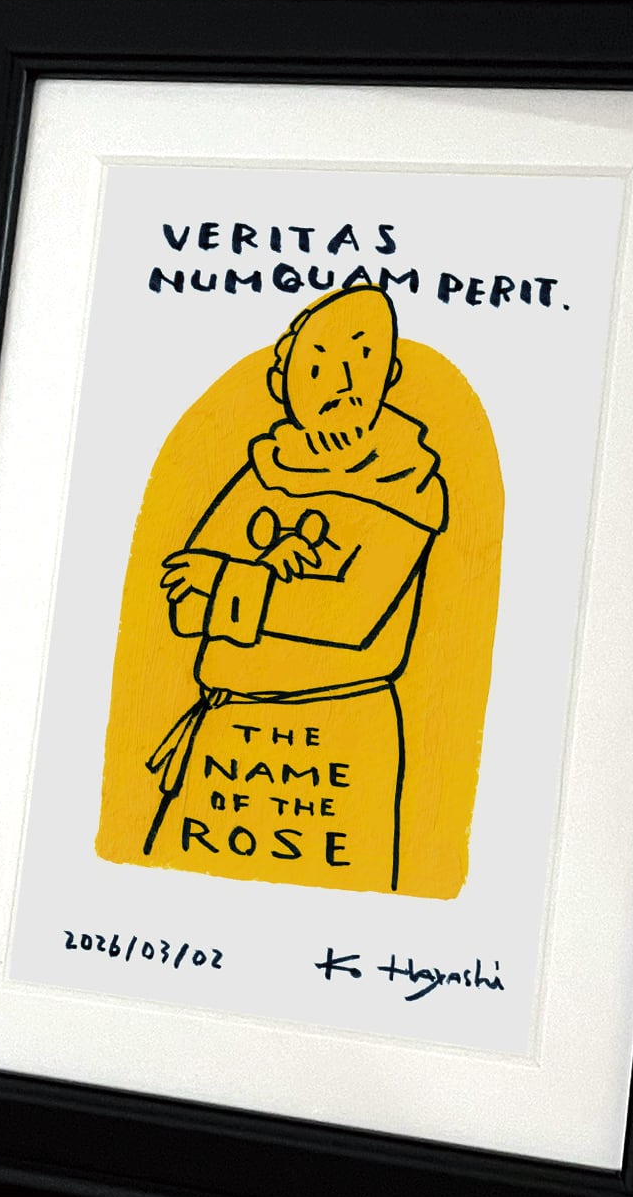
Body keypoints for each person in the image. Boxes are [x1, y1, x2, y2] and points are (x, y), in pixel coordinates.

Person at [145, 284, 447, 893]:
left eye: (362, 357)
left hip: (335, 741)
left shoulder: (407, 481)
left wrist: (231, 582)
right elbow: (182, 600)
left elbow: (351, 617)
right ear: (282, 380)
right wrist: (268, 594)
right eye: (318, 364)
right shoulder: (265, 470)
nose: (342, 380)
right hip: (226, 736)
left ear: (390, 374)